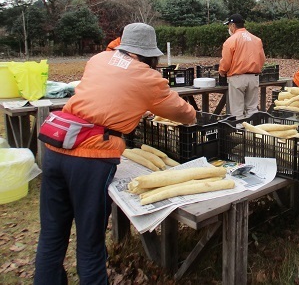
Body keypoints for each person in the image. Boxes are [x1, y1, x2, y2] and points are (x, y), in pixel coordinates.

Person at [34, 23, 197, 285]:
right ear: (150, 54)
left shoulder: (98, 59)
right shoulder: (149, 78)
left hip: (56, 147)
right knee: (90, 242)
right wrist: (193, 115)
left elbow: (108, 92)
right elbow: (182, 113)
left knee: (52, 236)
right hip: (90, 158)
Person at [219, 13, 265, 119]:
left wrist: (222, 71)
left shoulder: (230, 41)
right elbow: (262, 59)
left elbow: (226, 62)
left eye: (228, 26)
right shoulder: (257, 40)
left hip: (237, 78)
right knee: (252, 109)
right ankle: (254, 132)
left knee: (237, 111)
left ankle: (239, 132)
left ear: (233, 25)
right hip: (254, 77)